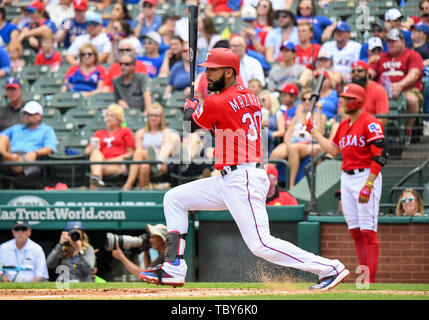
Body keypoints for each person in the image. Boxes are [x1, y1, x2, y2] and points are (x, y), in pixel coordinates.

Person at [139, 47, 350, 290]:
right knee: (175, 198)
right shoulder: (249, 95)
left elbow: (190, 124)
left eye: (213, 70)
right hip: (230, 177)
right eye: (206, 70)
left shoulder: (217, 101)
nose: (207, 75)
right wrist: (197, 108)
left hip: (243, 178)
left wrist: (190, 108)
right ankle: (174, 266)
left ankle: (329, 268)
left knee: (261, 244)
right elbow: (216, 122)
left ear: (229, 73)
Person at [305, 83, 387, 284]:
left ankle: (370, 282)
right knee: (355, 231)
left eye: (347, 98)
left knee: (368, 231)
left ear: (357, 100)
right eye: (343, 97)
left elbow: (380, 156)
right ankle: (364, 280)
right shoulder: (342, 125)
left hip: (365, 175)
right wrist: (314, 132)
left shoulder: (370, 122)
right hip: (346, 177)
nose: (343, 101)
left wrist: (369, 184)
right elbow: (333, 151)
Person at [368, 28, 424, 144]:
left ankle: (406, 130)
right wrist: (368, 64)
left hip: (407, 90)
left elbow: (414, 74)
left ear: (403, 42)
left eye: (394, 41)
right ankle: (373, 134)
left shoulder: (413, 55)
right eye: (389, 41)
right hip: (382, 92)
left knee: (411, 100)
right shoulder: (381, 57)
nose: (391, 44)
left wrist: (399, 85)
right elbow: (369, 75)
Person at [269, 88, 325, 188]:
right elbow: (287, 134)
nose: (307, 101)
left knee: (294, 149)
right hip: (293, 141)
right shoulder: (297, 116)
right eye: (304, 99)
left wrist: (319, 110)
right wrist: (288, 144)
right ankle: (268, 183)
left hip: (308, 143)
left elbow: (321, 133)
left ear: (315, 101)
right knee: (276, 153)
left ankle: (291, 185)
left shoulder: (321, 116)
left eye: (310, 99)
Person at [123, 103, 180, 190]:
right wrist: (149, 155)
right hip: (144, 161)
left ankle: (128, 185)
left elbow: (166, 152)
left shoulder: (166, 132)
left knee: (141, 155)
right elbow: (138, 152)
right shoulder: (140, 133)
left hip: (161, 163)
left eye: (156, 115)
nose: (153, 118)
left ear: (161, 117)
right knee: (144, 166)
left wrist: (154, 154)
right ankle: (144, 192)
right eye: (151, 115)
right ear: (148, 117)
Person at [0, 101, 57, 178]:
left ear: (39, 116)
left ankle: (7, 157)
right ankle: (6, 156)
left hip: (28, 159)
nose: (26, 116)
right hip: (11, 154)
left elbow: (50, 148)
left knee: (15, 159)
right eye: (24, 114)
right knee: (3, 137)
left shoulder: (47, 130)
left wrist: (35, 153)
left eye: (30, 114)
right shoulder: (16, 128)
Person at [85, 104, 135, 188]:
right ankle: (96, 178)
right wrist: (93, 147)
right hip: (102, 162)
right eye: (107, 115)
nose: (108, 118)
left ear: (119, 119)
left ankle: (93, 193)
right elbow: (87, 151)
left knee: (95, 170)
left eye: (111, 116)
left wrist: (117, 159)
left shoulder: (125, 131)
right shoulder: (99, 133)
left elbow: (130, 153)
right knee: (95, 153)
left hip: (118, 164)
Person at [351, 61, 389, 128]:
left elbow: (382, 119)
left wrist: (364, 130)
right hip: (351, 129)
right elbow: (343, 114)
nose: (356, 73)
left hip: (370, 130)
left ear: (367, 74)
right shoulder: (349, 89)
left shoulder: (378, 90)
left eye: (359, 71)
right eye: (353, 71)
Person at [259, 89, 285, 156]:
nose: (261, 102)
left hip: (271, 140)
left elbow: (282, 131)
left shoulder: (277, 114)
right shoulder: (256, 114)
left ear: (271, 101)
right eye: (259, 100)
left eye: (263, 100)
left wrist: (271, 135)